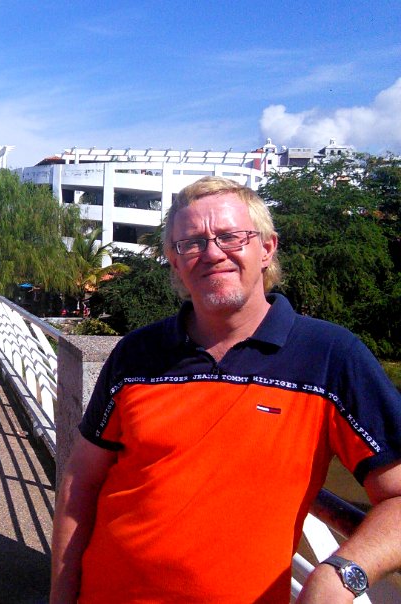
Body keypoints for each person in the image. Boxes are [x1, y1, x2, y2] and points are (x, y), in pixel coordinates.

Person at [50, 176, 401, 604]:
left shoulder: (329, 357)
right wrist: (62, 595)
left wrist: (340, 574)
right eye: (191, 243)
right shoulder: (137, 353)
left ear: (266, 248)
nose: (213, 253)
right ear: (174, 262)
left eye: (231, 236)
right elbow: (81, 481)